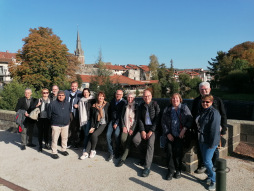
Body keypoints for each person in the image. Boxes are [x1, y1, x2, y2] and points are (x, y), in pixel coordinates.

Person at [192, 82, 227, 173]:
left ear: (210, 89)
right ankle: (203, 165)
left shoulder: (217, 100)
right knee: (201, 149)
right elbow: (193, 114)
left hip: (213, 131)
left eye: (205, 89)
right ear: (199, 90)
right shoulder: (196, 100)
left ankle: (214, 166)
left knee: (214, 149)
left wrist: (224, 128)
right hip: (200, 130)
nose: (204, 91)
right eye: (202, 89)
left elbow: (223, 114)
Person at [161, 93, 193, 180]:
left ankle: (178, 170)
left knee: (178, 151)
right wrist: (167, 133)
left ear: (180, 99)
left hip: (180, 135)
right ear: (171, 100)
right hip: (170, 134)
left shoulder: (184, 108)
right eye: (173, 98)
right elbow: (163, 122)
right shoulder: (167, 109)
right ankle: (171, 170)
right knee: (169, 150)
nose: (175, 100)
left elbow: (190, 119)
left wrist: (184, 129)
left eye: (177, 98)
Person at [133, 89, 160, 177]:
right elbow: (140, 119)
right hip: (144, 128)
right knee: (136, 139)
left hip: (153, 129)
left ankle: (147, 167)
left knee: (150, 143)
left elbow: (157, 119)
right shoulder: (141, 106)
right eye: (145, 96)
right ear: (143, 97)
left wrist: (151, 131)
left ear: (151, 96)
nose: (147, 97)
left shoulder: (155, 105)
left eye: (148, 96)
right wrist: (142, 131)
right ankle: (144, 157)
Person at [196, 94, 221, 191]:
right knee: (207, 161)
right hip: (202, 140)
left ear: (211, 102)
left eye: (207, 102)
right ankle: (209, 177)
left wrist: (212, 144)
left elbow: (215, 130)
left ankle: (214, 180)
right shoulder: (203, 111)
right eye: (203, 101)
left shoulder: (214, 113)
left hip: (210, 142)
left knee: (207, 161)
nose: (205, 103)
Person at [81, 92, 109, 159]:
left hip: (103, 123)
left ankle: (93, 150)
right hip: (96, 123)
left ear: (104, 97)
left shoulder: (107, 104)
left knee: (94, 135)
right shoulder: (94, 106)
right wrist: (92, 127)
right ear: (97, 97)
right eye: (99, 96)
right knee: (91, 134)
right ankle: (86, 153)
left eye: (102, 96)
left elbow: (109, 114)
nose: (101, 98)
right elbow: (93, 118)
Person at [116, 93, 139, 167]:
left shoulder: (136, 106)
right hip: (126, 126)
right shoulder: (125, 106)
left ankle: (123, 158)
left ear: (134, 98)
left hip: (133, 127)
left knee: (129, 141)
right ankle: (126, 151)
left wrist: (132, 129)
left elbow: (136, 119)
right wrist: (123, 126)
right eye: (128, 97)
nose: (130, 99)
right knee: (123, 139)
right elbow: (122, 117)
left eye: (131, 97)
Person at [48, 91, 71, 159]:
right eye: (59, 95)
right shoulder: (52, 104)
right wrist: (53, 122)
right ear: (57, 96)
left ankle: (63, 149)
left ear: (65, 96)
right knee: (55, 139)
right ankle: (54, 152)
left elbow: (69, 112)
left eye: (62, 95)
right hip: (56, 124)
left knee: (64, 138)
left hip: (65, 124)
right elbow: (49, 115)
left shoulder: (68, 104)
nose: (61, 96)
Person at [106, 90, 126, 161]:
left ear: (122, 95)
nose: (118, 95)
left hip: (120, 122)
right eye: (117, 94)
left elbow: (122, 114)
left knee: (117, 134)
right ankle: (111, 152)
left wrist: (116, 123)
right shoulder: (112, 101)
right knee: (108, 135)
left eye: (120, 94)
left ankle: (117, 151)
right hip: (112, 121)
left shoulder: (124, 102)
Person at [78, 88, 95, 159]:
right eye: (84, 92)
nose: (85, 94)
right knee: (86, 134)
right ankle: (88, 149)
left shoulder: (93, 100)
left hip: (89, 119)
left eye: (87, 92)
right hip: (83, 120)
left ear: (89, 93)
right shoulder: (81, 100)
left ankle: (85, 149)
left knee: (86, 134)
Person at [65, 81, 82, 149]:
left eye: (75, 86)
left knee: (75, 129)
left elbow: (84, 101)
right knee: (67, 128)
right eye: (72, 86)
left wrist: (78, 105)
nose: (73, 87)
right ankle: (68, 142)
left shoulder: (80, 94)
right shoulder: (66, 92)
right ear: (70, 86)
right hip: (67, 113)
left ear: (77, 86)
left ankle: (76, 143)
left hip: (75, 113)